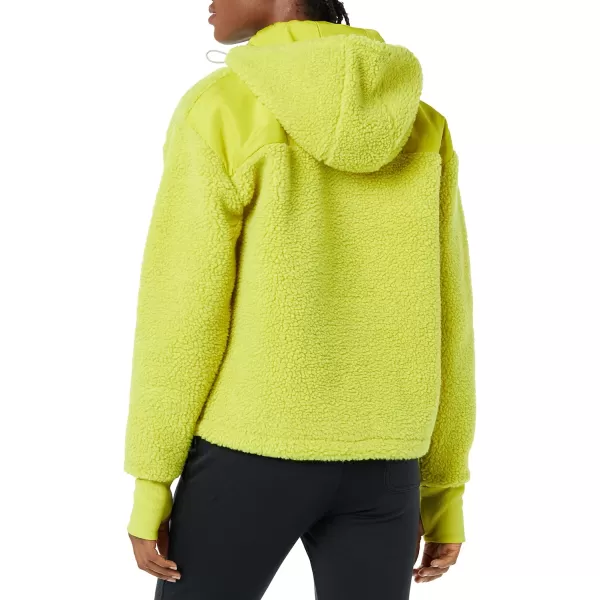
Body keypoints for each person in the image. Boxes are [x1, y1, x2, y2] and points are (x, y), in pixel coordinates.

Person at [124, 2, 477, 599]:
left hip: (251, 452)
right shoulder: (420, 123)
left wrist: (151, 479)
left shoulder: (221, 110)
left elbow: (181, 309)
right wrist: (445, 489)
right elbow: (451, 314)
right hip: (387, 462)